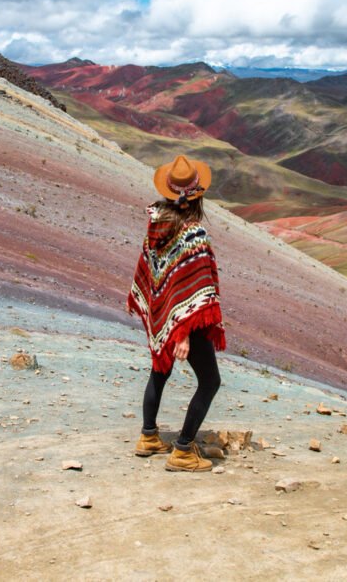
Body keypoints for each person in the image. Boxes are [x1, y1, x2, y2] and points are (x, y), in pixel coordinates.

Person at [126, 154, 226, 472]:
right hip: (188, 322)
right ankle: (183, 450)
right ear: (197, 196)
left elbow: (155, 275)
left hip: (164, 315)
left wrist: (165, 321)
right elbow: (195, 286)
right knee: (210, 381)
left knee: (160, 368)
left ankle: (149, 437)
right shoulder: (192, 234)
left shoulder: (156, 225)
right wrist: (181, 333)